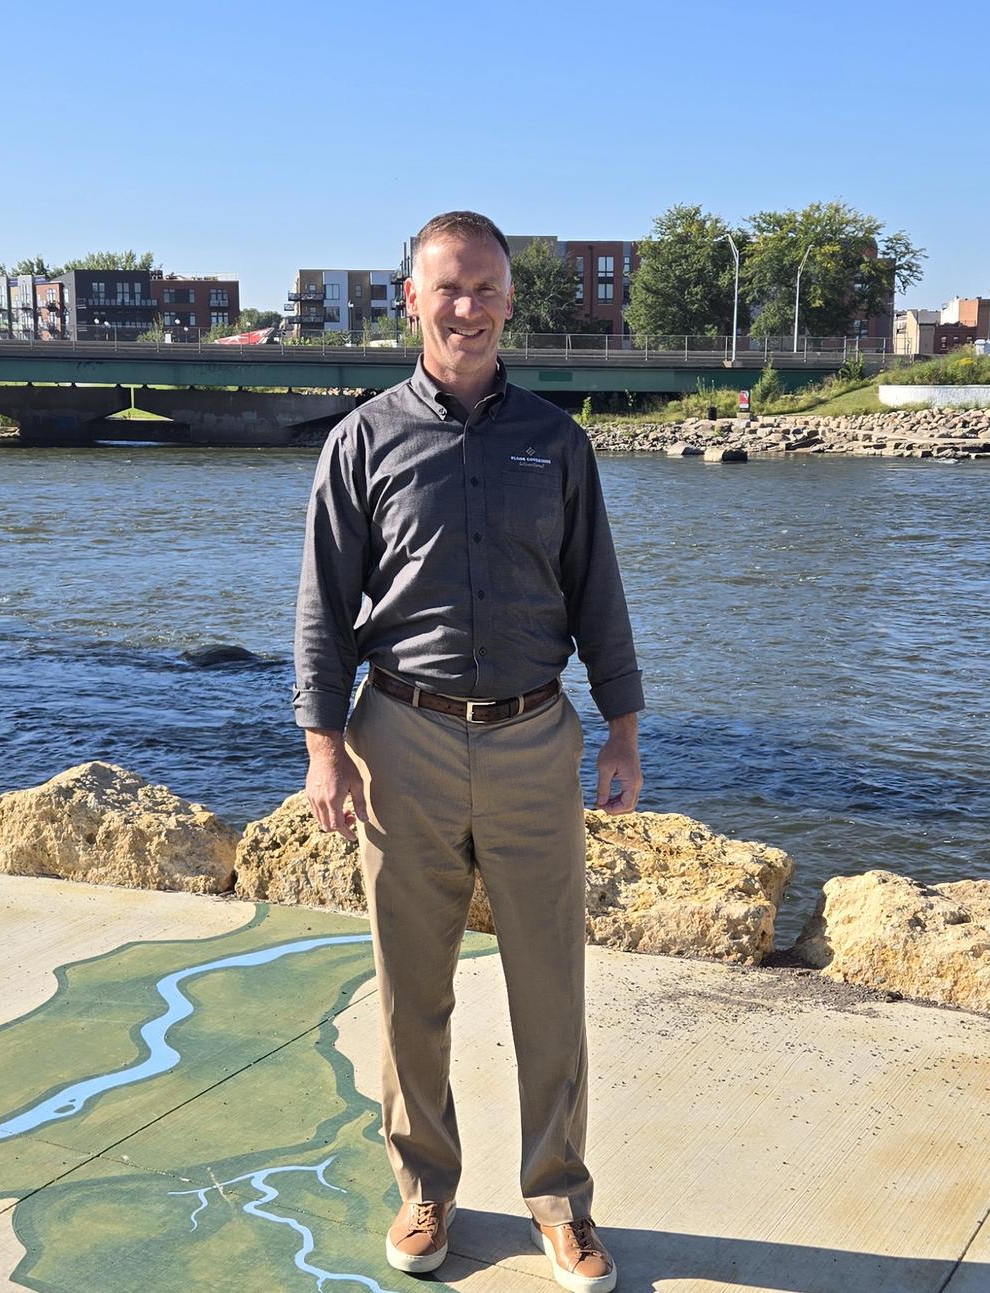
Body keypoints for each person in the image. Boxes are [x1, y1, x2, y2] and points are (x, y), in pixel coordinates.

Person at [293, 210, 642, 1293]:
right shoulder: (362, 442)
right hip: (401, 738)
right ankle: (425, 1188)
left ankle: (559, 1202)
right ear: (412, 299)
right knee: (412, 988)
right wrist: (322, 745)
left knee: (552, 986)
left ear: (508, 300)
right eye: (449, 287)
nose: (469, 307)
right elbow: (323, 607)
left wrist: (623, 725)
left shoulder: (557, 441)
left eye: (487, 287)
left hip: (536, 737)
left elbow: (596, 589)